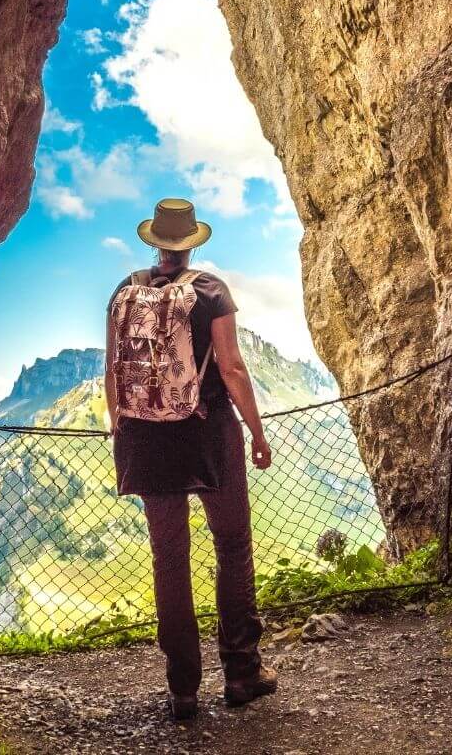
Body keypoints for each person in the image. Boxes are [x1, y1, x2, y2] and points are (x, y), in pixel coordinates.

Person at [105, 197, 279, 720]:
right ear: (192, 241)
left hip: (146, 439)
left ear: (155, 241)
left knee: (169, 560)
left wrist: (123, 425)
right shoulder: (210, 290)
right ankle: (243, 673)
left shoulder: (123, 290)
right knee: (232, 545)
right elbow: (232, 369)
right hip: (208, 432)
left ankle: (183, 688)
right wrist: (257, 432)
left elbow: (112, 368)